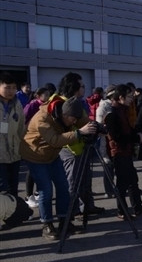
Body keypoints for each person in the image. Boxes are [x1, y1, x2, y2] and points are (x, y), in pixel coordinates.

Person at [20, 96, 98, 240]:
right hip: (35, 156)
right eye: (72, 120)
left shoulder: (70, 112)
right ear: (64, 115)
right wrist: (79, 132)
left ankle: (65, 221)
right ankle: (47, 225)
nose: (74, 122)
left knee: (63, 186)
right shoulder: (42, 118)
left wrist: (97, 126)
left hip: (52, 156)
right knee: (46, 190)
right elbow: (55, 140)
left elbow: (83, 122)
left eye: (75, 119)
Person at [50, 72, 104, 215]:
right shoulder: (59, 103)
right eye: (82, 86)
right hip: (70, 148)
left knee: (86, 180)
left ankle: (88, 206)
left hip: (81, 146)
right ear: (73, 86)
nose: (84, 88)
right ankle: (71, 213)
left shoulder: (78, 101)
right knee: (73, 183)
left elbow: (84, 121)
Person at [104, 85, 142, 219]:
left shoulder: (122, 111)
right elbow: (116, 137)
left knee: (132, 180)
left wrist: (138, 136)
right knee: (122, 183)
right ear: (121, 98)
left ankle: (137, 206)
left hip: (126, 150)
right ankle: (122, 211)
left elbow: (128, 130)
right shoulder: (112, 113)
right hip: (119, 152)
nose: (132, 99)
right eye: (130, 96)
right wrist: (136, 137)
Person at [22, 86, 50, 207]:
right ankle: (29, 195)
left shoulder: (47, 106)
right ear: (38, 96)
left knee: (43, 169)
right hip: (31, 141)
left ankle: (38, 192)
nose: (48, 96)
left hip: (43, 141)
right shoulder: (32, 105)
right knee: (32, 169)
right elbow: (23, 121)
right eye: (46, 94)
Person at [0, 72, 26, 198]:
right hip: (0, 156)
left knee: (13, 189)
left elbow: (21, 128)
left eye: (13, 88)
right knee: (2, 190)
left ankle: (13, 217)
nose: (11, 91)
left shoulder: (17, 104)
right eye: (7, 87)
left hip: (14, 155)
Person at [95, 84, 117, 199]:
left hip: (115, 140)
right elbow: (99, 125)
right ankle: (108, 190)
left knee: (115, 166)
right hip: (106, 141)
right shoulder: (103, 106)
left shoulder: (115, 105)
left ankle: (114, 188)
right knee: (108, 166)